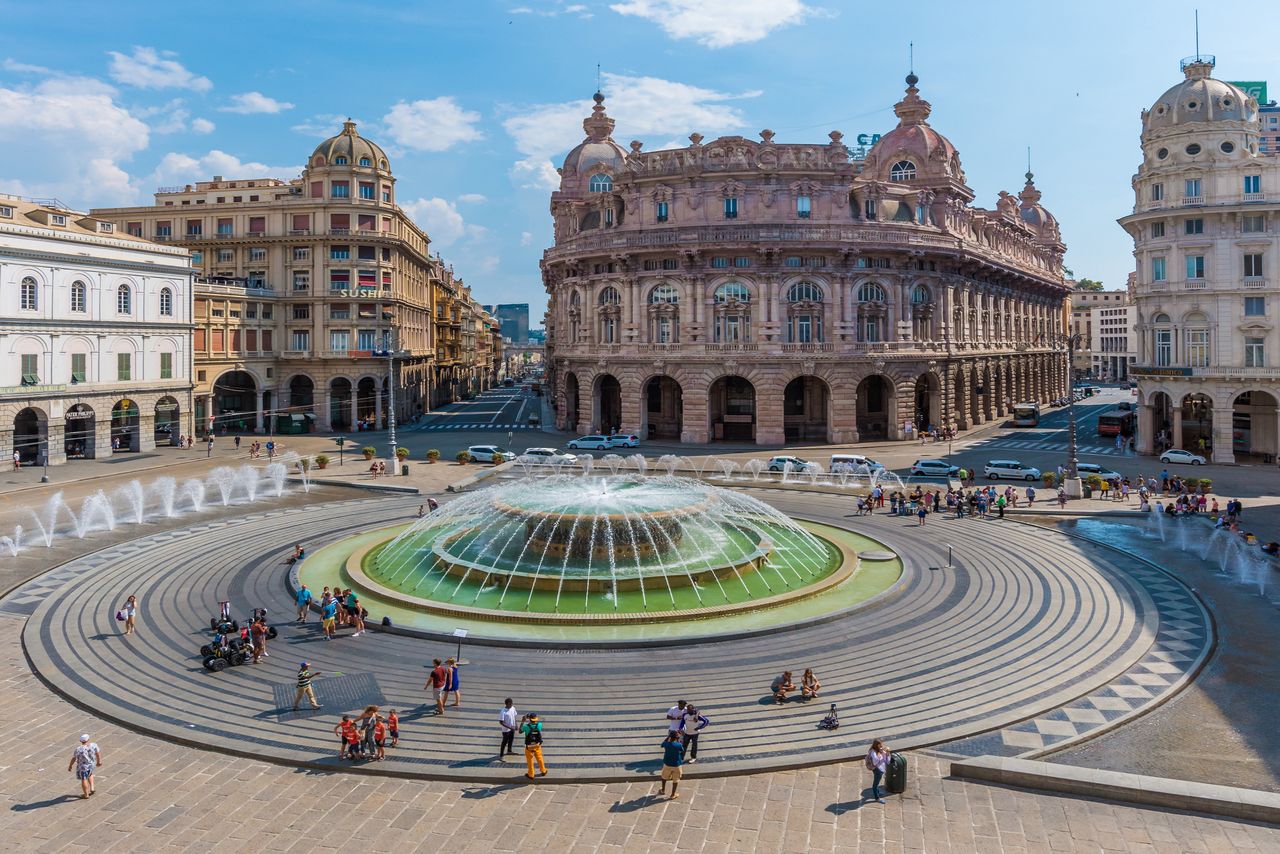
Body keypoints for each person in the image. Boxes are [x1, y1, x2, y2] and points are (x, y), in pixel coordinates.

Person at [68, 735, 101, 799]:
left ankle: (86, 794)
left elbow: (74, 758)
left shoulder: (78, 749)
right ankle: (92, 788)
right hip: (92, 764)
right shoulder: (94, 745)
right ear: (88, 739)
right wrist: (98, 762)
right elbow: (97, 753)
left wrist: (70, 766)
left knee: (84, 779)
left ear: (80, 741)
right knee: (90, 773)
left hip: (83, 767)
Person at [657, 731, 685, 799]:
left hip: (667, 764)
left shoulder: (666, 744)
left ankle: (663, 790)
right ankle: (673, 794)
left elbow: (662, 745)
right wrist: (678, 740)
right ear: (677, 737)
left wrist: (668, 737)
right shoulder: (678, 745)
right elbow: (682, 750)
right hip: (677, 765)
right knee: (675, 780)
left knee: (664, 777)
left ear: (670, 737)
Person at [521, 712, 547, 779]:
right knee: (539, 758)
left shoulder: (526, 727)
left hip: (529, 747)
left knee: (530, 761)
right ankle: (543, 771)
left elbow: (520, 731)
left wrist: (522, 721)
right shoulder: (539, 725)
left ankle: (531, 774)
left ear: (529, 719)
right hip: (537, 746)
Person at [865, 738, 890, 804]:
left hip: (881, 769)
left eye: (882, 745)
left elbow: (887, 761)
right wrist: (879, 756)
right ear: (877, 745)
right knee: (875, 785)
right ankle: (877, 798)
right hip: (877, 770)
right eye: (880, 745)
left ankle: (878, 792)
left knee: (877, 782)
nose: (882, 746)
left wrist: (887, 754)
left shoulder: (880, 750)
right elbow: (875, 762)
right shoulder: (873, 752)